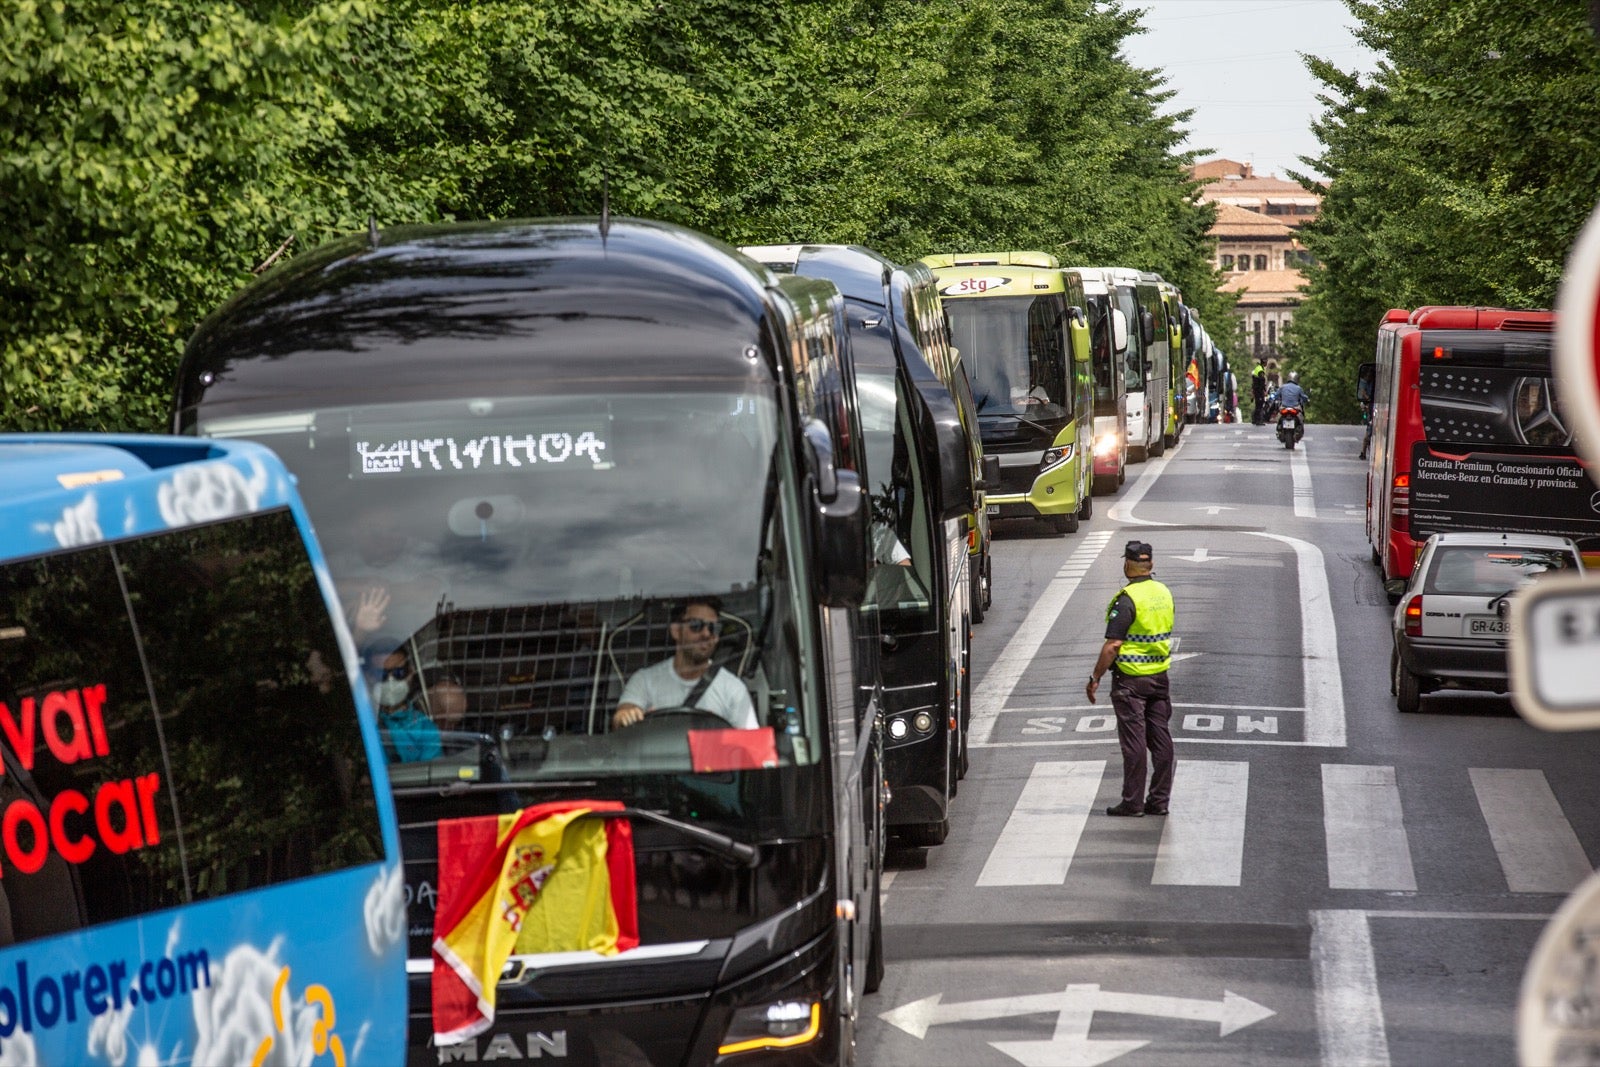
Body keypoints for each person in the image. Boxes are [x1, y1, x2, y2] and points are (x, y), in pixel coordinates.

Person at [1086, 540, 1176, 817]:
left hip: (1131, 681)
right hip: (1159, 678)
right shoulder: (1164, 593)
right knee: (1161, 740)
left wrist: (1095, 677)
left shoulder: (1127, 599)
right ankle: (1159, 801)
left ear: (1127, 565)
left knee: (1134, 743)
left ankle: (1133, 802)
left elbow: (1113, 645)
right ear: (1151, 565)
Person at [612, 598, 759, 730]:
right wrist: (627, 716)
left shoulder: (734, 689)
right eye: (696, 625)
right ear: (676, 631)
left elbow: (751, 745)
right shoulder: (644, 681)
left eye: (713, 628)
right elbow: (622, 717)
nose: (706, 634)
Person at [365, 637, 444, 763]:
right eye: (382, 674)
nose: (391, 681)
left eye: (399, 672)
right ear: (369, 677)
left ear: (410, 673)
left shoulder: (424, 727)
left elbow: (430, 771)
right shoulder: (362, 722)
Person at [1357, 372, 1374, 459]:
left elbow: (1368, 398)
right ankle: (1363, 452)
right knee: (1368, 434)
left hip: (1372, 412)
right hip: (1371, 413)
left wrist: (1365, 396)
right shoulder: (1367, 384)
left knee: (1368, 434)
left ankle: (1363, 452)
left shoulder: (1372, 385)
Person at [1251, 357, 1268, 425]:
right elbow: (1261, 382)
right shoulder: (1260, 370)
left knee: (1257, 405)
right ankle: (1258, 420)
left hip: (1256, 389)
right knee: (1260, 405)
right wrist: (1264, 391)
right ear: (1264, 362)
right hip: (1259, 390)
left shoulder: (1258, 368)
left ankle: (1255, 420)